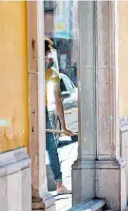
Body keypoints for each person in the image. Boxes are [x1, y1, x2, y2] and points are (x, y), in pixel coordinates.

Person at [45, 38, 73, 194]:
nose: (48, 58)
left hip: (41, 110)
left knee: (51, 147)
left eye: (49, 55)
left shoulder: (52, 72)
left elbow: (57, 98)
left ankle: (59, 185)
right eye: (46, 55)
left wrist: (63, 126)